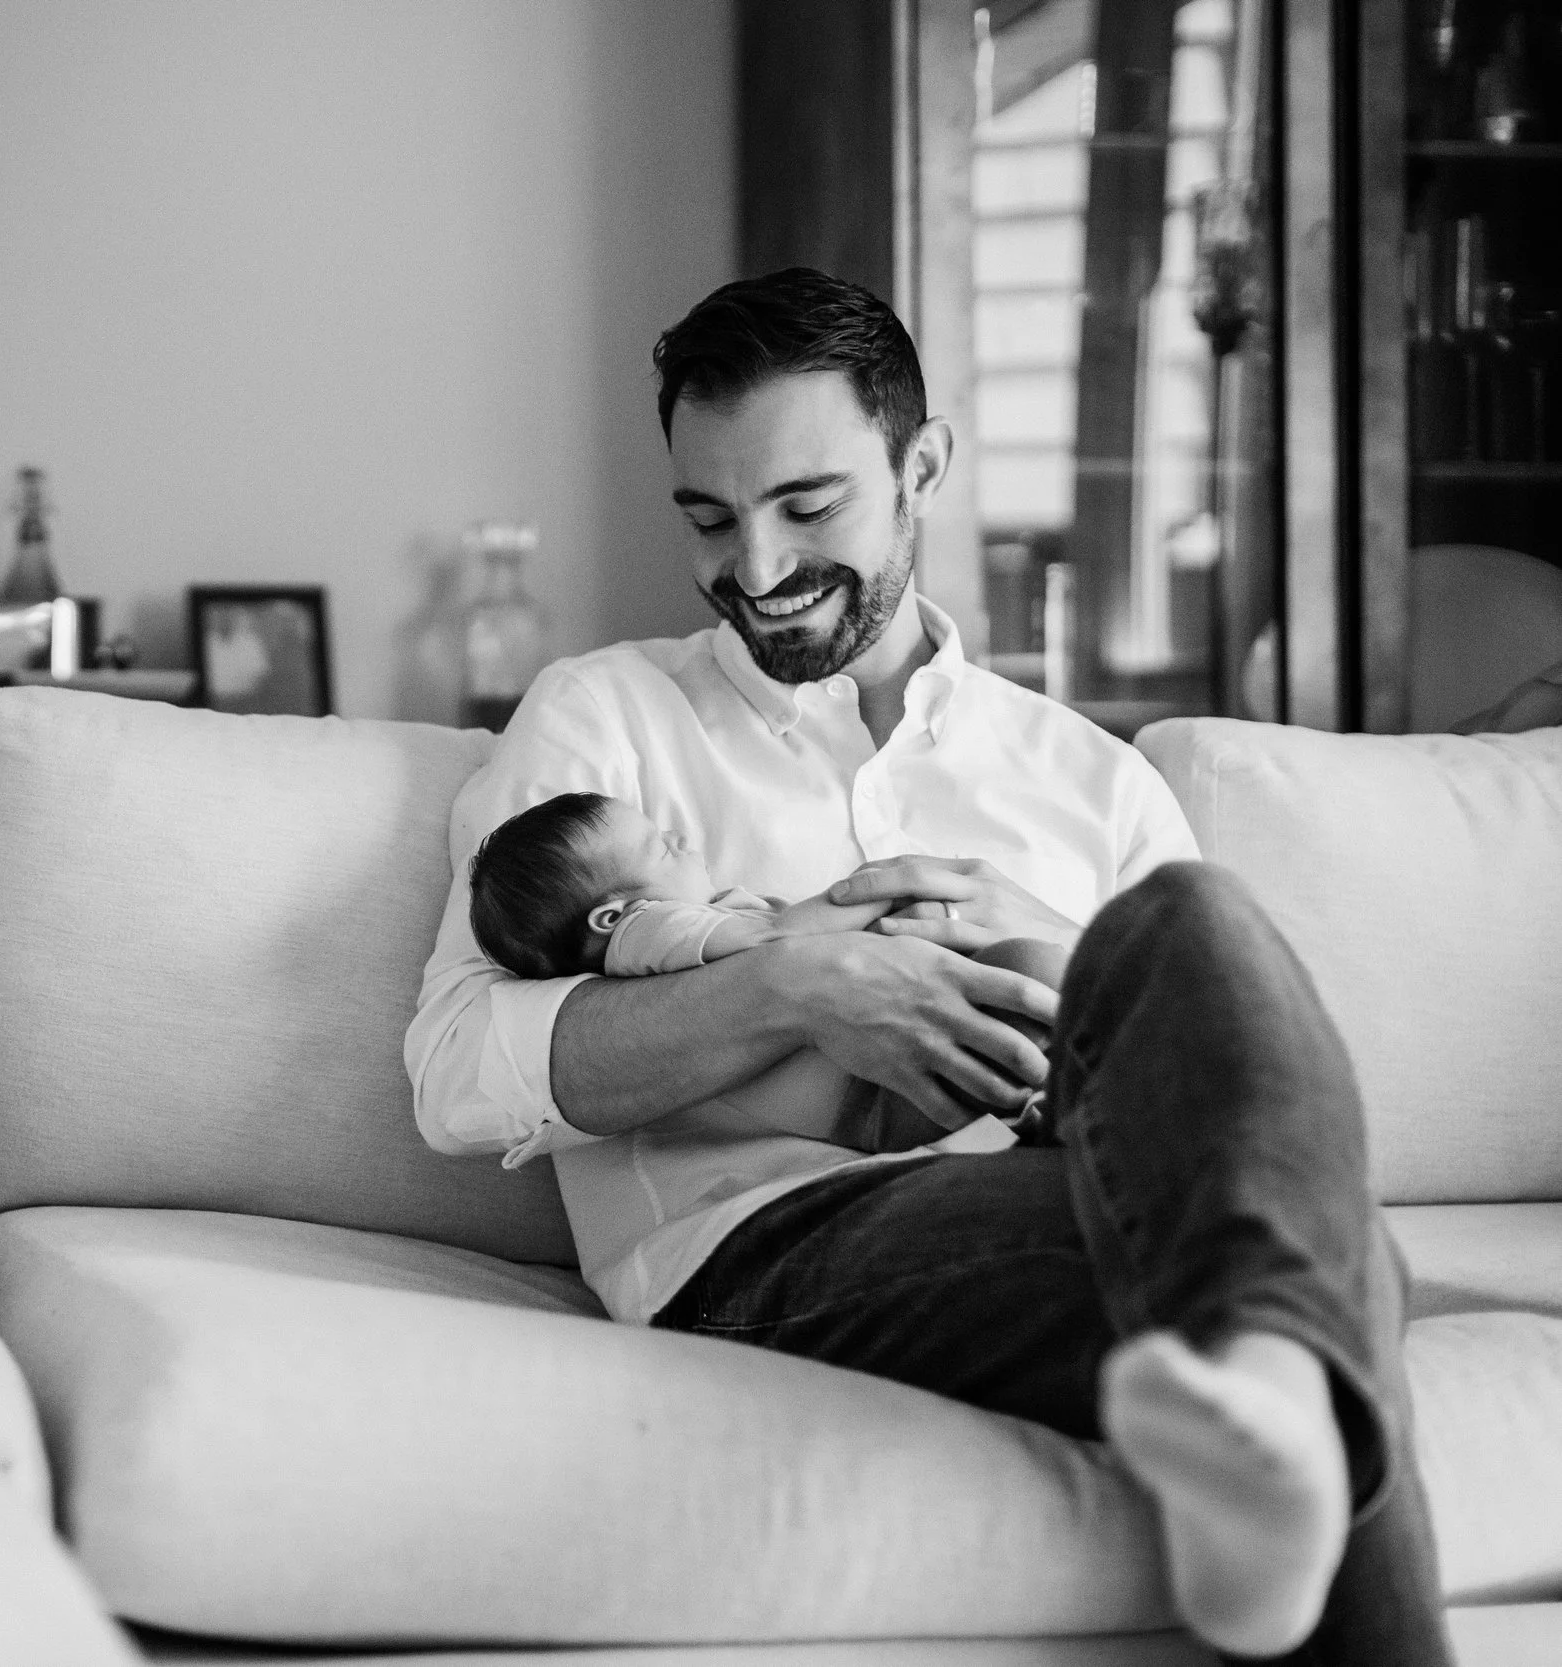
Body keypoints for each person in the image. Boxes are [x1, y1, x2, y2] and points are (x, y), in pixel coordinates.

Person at [404, 267, 1452, 1664]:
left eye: (807, 504)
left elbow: (1243, 1094)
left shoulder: (1088, 775)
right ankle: (1274, 1371)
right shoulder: (608, 720)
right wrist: (797, 982)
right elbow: (458, 1073)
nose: (756, 571)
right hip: (770, 1247)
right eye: (710, 519)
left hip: (1056, 1168)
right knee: (1327, 1286)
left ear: (922, 466)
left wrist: (1038, 962)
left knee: (1197, 936)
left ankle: (1263, 1386)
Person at [463, 789, 1062, 1151]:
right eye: (661, 847)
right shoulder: (648, 929)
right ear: (611, 915)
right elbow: (779, 937)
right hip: (875, 1092)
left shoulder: (681, 937)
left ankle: (1048, 1104)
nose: (680, 838)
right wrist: (879, 893)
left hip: (879, 1091)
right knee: (1030, 968)